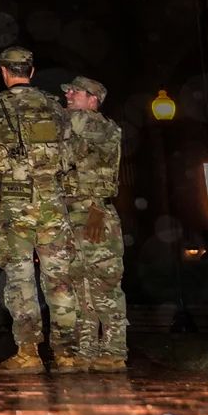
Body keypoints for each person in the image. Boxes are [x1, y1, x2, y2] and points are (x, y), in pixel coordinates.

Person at [0, 46, 77, 374]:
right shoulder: (55, 108)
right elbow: (73, 156)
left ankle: (28, 352)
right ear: (31, 71)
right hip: (52, 201)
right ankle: (67, 354)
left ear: (4, 72)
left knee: (20, 278)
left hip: (14, 204)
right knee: (59, 278)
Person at [61, 76, 127, 374]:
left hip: (95, 212)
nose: (69, 94)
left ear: (93, 99)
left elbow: (72, 123)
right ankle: (85, 349)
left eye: (76, 91)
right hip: (70, 215)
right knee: (79, 285)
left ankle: (114, 350)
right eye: (68, 91)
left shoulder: (102, 127)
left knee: (104, 284)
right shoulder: (72, 128)